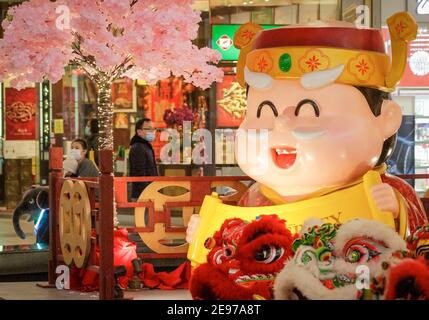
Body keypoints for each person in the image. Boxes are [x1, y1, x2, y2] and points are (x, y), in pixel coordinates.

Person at [129, 118, 158, 201]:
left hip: (149, 192)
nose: (152, 131)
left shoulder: (145, 146)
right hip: (142, 195)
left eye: (153, 129)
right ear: (139, 132)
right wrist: (147, 193)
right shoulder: (138, 147)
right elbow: (138, 174)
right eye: (148, 129)